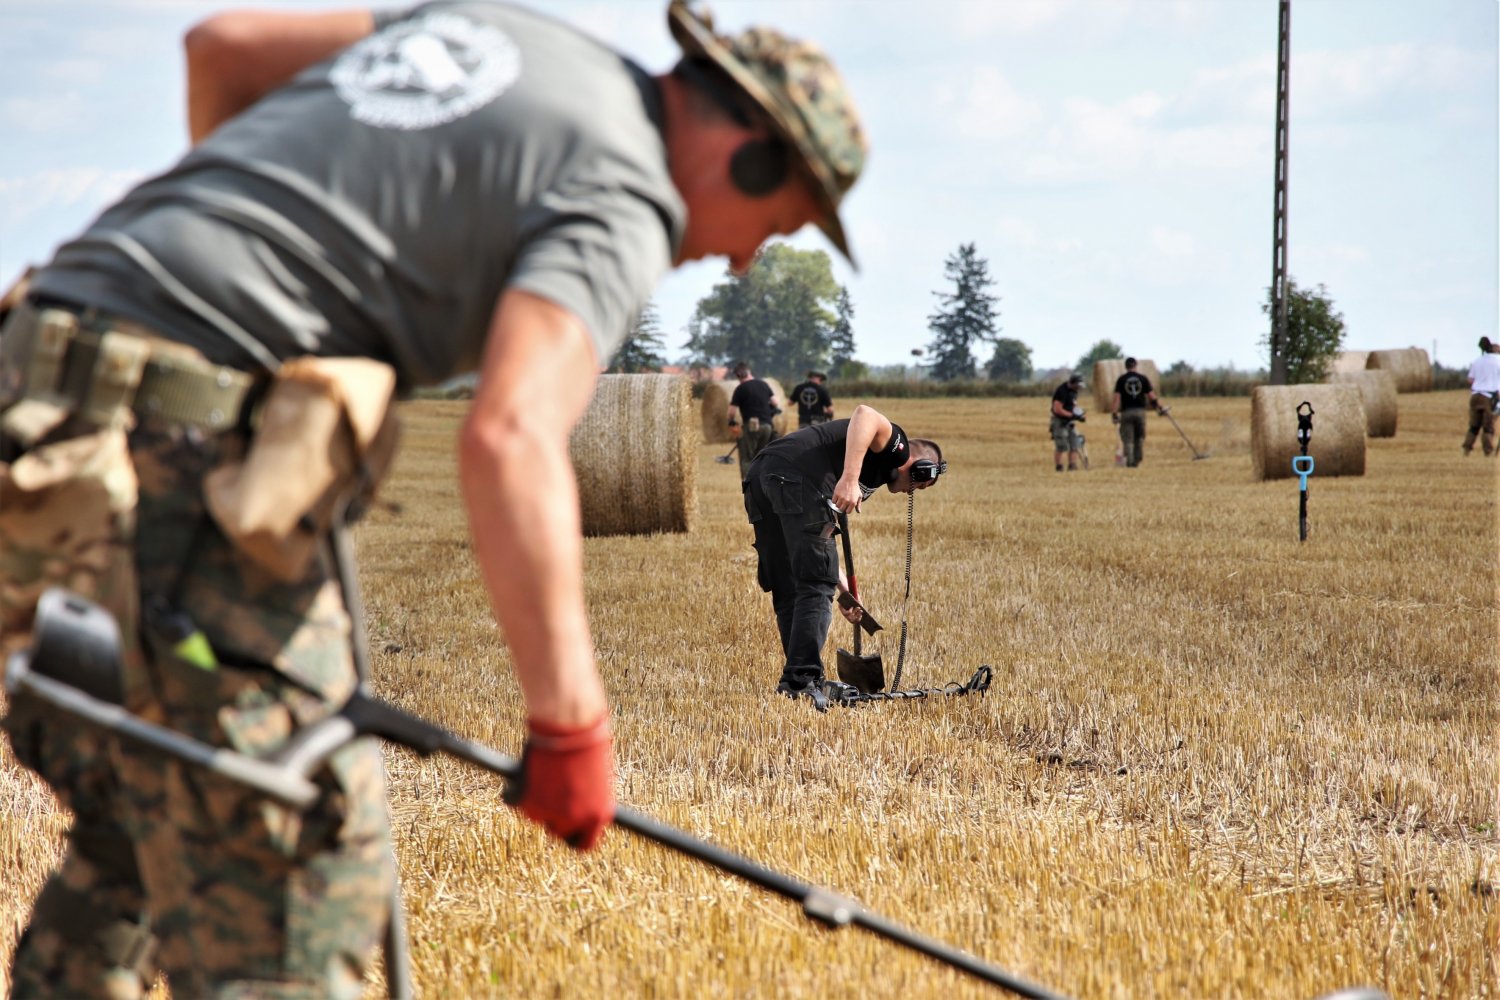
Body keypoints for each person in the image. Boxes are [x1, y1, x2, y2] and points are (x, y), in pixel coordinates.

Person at [0, 2, 866, 995]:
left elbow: (223, 48)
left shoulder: (508, 35)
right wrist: (571, 726)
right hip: (155, 444)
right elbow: (510, 436)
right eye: (776, 223)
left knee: (152, 796)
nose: (746, 258)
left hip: (31, 391)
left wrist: (263, 277)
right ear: (748, 156)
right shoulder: (628, 189)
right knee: (298, 848)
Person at [742, 405, 946, 711]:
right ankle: (802, 680)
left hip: (762, 475)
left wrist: (844, 591)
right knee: (815, 585)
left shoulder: (868, 470)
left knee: (790, 582)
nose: (911, 492)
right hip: (796, 477)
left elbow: (816, 551)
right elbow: (865, 414)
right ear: (920, 467)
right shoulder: (897, 448)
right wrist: (849, 479)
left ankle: (797, 680)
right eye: (919, 485)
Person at [727, 359, 780, 474]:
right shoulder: (763, 384)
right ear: (749, 372)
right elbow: (775, 403)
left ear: (738, 376)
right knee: (761, 456)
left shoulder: (740, 389)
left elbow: (732, 411)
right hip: (767, 426)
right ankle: (761, 481)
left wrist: (731, 421)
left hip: (752, 426)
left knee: (748, 457)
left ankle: (749, 483)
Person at [1109, 357, 1163, 468]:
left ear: (1126, 366)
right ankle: (1137, 460)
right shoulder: (1143, 378)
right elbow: (1152, 396)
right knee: (1139, 437)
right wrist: (1159, 407)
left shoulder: (1121, 380)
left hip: (1126, 412)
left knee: (1128, 439)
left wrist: (1114, 414)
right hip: (1140, 412)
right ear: (1136, 365)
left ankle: (1130, 462)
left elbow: (1116, 398)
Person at [1463, 336, 1500, 456]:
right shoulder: (1498, 361)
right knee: (1488, 427)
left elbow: (1470, 379)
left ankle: (1466, 450)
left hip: (1475, 396)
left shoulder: (1477, 361)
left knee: (1473, 426)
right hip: (1489, 397)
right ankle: (1488, 452)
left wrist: (1481, 382)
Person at [1049, 372, 1086, 471]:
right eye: (1077, 385)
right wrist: (1071, 415)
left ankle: (1072, 466)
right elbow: (1057, 409)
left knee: (1074, 444)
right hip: (1059, 421)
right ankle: (1059, 467)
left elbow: (1073, 405)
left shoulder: (1074, 391)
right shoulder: (1062, 391)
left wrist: (1079, 415)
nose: (1079, 388)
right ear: (1072, 382)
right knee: (1061, 445)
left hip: (1069, 422)